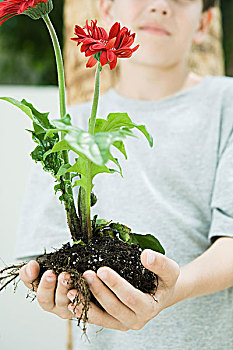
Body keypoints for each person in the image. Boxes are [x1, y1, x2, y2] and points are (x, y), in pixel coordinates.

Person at [17, 0, 233, 349]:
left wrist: (175, 289)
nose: (161, 6)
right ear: (106, 10)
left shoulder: (228, 104)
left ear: (204, 24)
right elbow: (42, 252)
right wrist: (51, 287)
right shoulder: (65, 124)